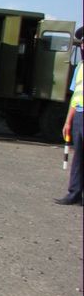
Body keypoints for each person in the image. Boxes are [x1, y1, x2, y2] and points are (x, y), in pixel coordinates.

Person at [55, 27, 83, 206]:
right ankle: (74, 193)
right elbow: (75, 95)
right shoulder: (80, 67)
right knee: (78, 156)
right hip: (80, 115)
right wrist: (68, 120)